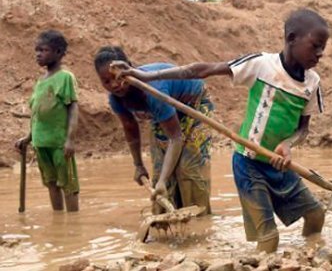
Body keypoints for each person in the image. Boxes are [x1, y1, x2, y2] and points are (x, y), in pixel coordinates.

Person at [112, 8, 328, 253]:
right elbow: (200, 70)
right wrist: (146, 75)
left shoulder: (313, 83)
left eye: (323, 47)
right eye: (315, 46)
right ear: (291, 38)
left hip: (279, 164)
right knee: (269, 239)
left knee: (316, 215)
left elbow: (303, 129)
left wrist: (289, 143)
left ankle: (311, 253)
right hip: (249, 165)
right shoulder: (261, 65)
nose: (320, 53)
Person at [93, 46, 213, 215]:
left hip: (193, 105)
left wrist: (163, 180)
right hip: (163, 114)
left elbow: (175, 138)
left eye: (117, 77)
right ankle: (167, 220)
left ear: (129, 68)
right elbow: (131, 130)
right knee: (160, 174)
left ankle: (200, 224)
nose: (114, 85)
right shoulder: (116, 99)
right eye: (106, 81)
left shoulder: (152, 90)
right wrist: (138, 165)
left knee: (189, 171)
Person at [15, 30, 80, 212]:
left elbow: (73, 109)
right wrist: (28, 138)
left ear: (58, 53)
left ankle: (73, 226)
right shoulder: (40, 81)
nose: (38, 54)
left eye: (43, 50)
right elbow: (36, 114)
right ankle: (58, 218)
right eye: (37, 50)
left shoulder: (65, 77)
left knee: (68, 184)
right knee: (51, 183)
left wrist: (70, 139)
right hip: (41, 143)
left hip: (59, 143)